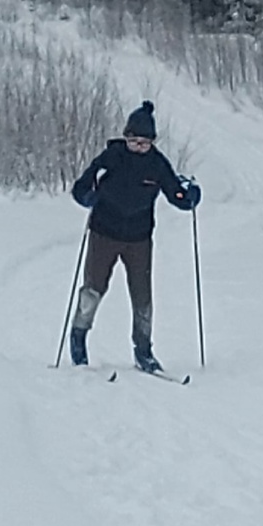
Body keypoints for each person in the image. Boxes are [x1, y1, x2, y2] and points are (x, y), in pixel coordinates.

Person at [69, 100, 201, 371]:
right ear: (126, 137)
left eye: (145, 143)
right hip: (104, 233)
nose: (139, 148)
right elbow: (82, 186)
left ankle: (144, 351)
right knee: (93, 289)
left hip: (139, 239)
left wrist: (188, 198)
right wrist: (87, 197)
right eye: (134, 142)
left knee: (142, 296)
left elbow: (174, 191)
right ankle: (78, 339)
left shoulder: (156, 163)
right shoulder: (111, 157)